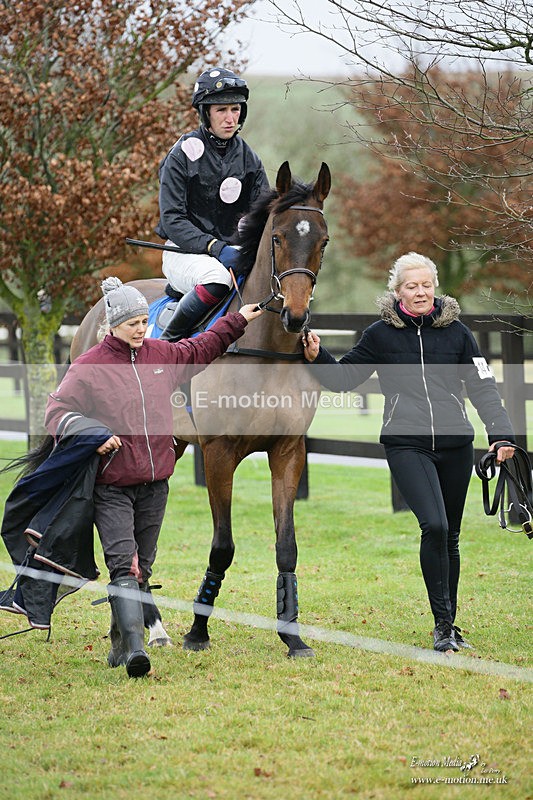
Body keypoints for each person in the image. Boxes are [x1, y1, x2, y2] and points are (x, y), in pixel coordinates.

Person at [44, 277, 263, 677]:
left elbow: (200, 348)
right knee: (123, 565)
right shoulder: (88, 366)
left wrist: (237, 321)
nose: (142, 329)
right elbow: (57, 413)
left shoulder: (160, 354)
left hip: (155, 483)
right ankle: (133, 649)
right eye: (134, 324)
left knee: (143, 562)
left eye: (145, 321)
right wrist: (93, 435)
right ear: (113, 325)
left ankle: (117, 640)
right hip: (112, 486)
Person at [303, 252, 515, 652]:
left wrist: (501, 436)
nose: (421, 292)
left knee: (450, 535)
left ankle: (449, 624)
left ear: (435, 287)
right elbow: (345, 378)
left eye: (426, 285)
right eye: (412, 286)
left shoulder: (458, 333)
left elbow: (484, 388)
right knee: (433, 526)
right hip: (405, 443)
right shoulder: (381, 334)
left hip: (456, 445)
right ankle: (441, 626)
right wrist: (318, 358)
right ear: (397, 292)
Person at [155, 66, 270, 341]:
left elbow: (263, 217)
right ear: (205, 112)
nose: (230, 118)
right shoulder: (181, 155)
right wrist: (214, 247)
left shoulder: (249, 160)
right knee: (216, 279)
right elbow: (172, 220)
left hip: (234, 253)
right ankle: (165, 350)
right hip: (184, 254)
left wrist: (245, 248)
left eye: (235, 109)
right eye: (221, 110)